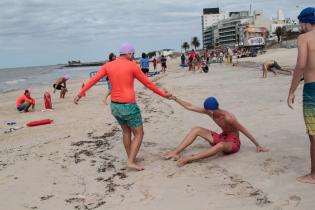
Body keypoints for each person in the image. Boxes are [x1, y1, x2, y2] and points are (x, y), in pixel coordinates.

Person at [74, 43, 172, 171]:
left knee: (126, 131)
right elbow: (147, 83)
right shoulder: (132, 66)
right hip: (128, 106)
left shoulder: (108, 65)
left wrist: (80, 94)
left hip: (115, 106)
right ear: (129, 53)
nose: (133, 56)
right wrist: (163, 95)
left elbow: (94, 80)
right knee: (139, 133)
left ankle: (131, 157)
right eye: (133, 53)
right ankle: (131, 161)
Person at [163, 96, 268, 166]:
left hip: (232, 143)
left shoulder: (228, 117)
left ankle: (190, 159)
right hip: (222, 136)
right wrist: (174, 98)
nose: (206, 111)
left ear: (211, 109)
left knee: (221, 145)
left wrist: (257, 145)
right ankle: (175, 152)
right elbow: (190, 106)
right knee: (196, 129)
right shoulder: (211, 112)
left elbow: (244, 130)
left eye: (207, 110)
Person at [287, 7, 315, 184]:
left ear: (305, 22)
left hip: (312, 89)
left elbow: (301, 64)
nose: (299, 26)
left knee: (314, 134)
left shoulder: (304, 38)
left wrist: (292, 90)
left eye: (300, 22)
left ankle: (314, 175)